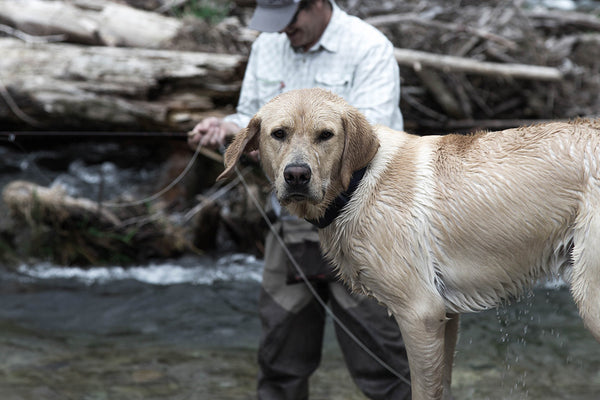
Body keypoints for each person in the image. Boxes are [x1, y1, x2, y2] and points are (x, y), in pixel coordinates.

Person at [188, 1, 411, 399]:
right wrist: (226, 127)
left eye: (290, 19)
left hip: (364, 229)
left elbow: (373, 136)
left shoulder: (368, 47)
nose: (282, 31)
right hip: (291, 227)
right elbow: (251, 117)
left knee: (384, 369)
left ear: (318, 5)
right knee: (278, 365)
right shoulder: (267, 46)